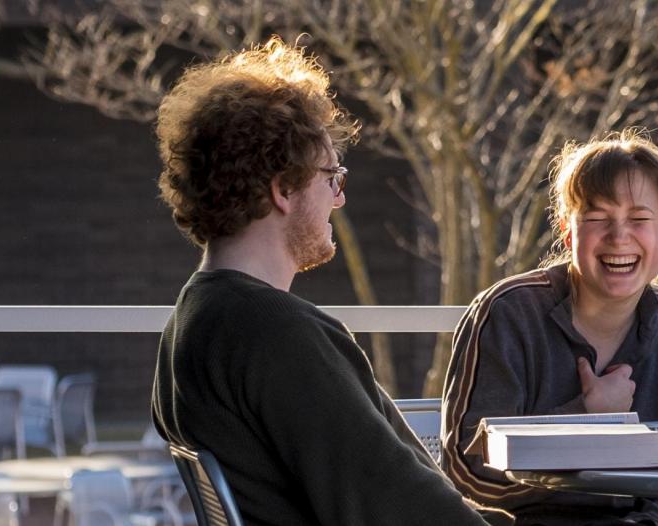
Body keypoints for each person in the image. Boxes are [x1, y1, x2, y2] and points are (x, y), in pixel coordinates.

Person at [149, 37, 511, 525]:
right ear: (283, 189)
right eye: (331, 178)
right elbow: (396, 506)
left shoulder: (194, 319)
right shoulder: (278, 335)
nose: (338, 200)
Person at [440, 132, 658, 525]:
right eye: (597, 218)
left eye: (639, 219)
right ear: (567, 230)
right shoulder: (507, 313)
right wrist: (586, 419)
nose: (619, 236)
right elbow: (467, 473)